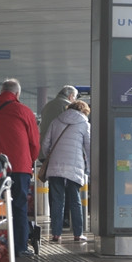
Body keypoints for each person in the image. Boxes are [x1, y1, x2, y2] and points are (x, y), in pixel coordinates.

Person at [0, 79, 40, 258]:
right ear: (17, 94)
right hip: (19, 167)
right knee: (19, 206)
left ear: (0, 92)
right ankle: (19, 247)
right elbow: (35, 143)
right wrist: (28, 162)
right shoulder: (25, 111)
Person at [41, 100, 91, 242]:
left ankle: (56, 234)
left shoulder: (56, 121)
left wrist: (48, 157)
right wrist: (90, 168)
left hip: (55, 166)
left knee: (57, 200)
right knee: (75, 200)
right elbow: (89, 148)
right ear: (84, 111)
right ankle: (78, 233)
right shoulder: (84, 124)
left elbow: (45, 144)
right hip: (74, 167)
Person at [39, 85, 79, 228]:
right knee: (68, 188)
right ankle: (65, 220)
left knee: (54, 188)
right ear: (70, 97)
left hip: (46, 153)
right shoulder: (68, 107)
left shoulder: (48, 105)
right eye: (74, 98)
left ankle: (55, 220)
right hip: (63, 154)